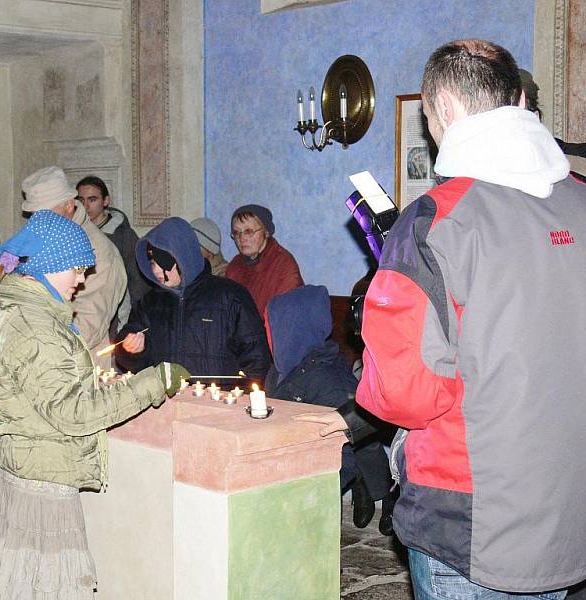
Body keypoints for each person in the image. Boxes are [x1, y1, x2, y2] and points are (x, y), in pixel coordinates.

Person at [353, 39, 585, 598]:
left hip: (471, 523)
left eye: (428, 118)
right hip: (566, 512)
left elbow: (405, 393)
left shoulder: (435, 221)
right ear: (516, 98)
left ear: (448, 109)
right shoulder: (578, 199)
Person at [0, 210, 187, 599]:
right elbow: (76, 412)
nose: (82, 280)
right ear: (51, 266)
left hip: (23, 470)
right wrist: (152, 382)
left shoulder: (10, 309)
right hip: (43, 484)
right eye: (78, 270)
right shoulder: (38, 328)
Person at [265, 285, 393, 534]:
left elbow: (362, 431)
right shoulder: (281, 368)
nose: (269, 335)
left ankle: (380, 493)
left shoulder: (328, 378)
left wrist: (371, 484)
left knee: (365, 449)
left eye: (275, 328)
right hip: (296, 455)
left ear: (295, 329)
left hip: (329, 461)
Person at [115, 217, 271, 381]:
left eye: (164, 264)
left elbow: (256, 359)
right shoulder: (149, 303)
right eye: (153, 263)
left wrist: (243, 399)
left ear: (184, 258)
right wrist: (131, 351)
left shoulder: (230, 296)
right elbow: (127, 352)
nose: (158, 272)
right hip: (166, 402)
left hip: (217, 401)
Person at [22, 166, 126, 367]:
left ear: (70, 205)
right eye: (35, 214)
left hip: (77, 366)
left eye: (47, 213)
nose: (40, 221)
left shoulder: (100, 252)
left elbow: (89, 322)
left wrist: (41, 352)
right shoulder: (37, 240)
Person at [76, 175, 150, 313]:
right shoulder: (72, 233)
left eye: (92, 199)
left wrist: (138, 318)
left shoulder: (123, 235)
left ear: (105, 201)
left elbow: (138, 282)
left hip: (117, 312)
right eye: (81, 200)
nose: (85, 206)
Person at [225, 204, 303, 319]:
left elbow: (285, 317)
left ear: (266, 232)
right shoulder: (234, 266)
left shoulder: (284, 265)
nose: (241, 238)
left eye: (248, 231)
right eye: (236, 232)